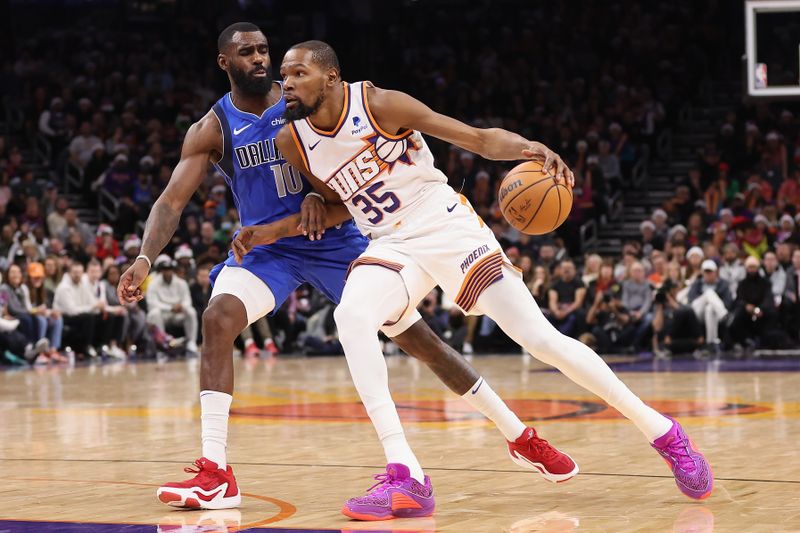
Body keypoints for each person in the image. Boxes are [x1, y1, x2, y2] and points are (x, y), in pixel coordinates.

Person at [245, 40, 712, 518]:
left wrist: (531, 148)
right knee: (351, 316)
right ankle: (407, 475)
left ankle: (664, 433)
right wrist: (299, 213)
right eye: (284, 75)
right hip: (391, 244)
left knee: (541, 340)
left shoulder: (380, 104)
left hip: (447, 226)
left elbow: (476, 138)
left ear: (330, 78)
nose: (287, 84)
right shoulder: (292, 140)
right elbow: (344, 201)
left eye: (298, 73)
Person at [117, 23, 563, 512]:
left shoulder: (302, 101)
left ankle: (517, 433)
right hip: (271, 249)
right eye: (247, 53)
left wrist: (316, 193)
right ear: (225, 62)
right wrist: (143, 258)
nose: (261, 60)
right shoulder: (212, 128)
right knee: (217, 317)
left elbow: (347, 171)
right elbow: (171, 201)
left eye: (265, 50)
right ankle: (215, 472)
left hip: (337, 238)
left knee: (422, 343)